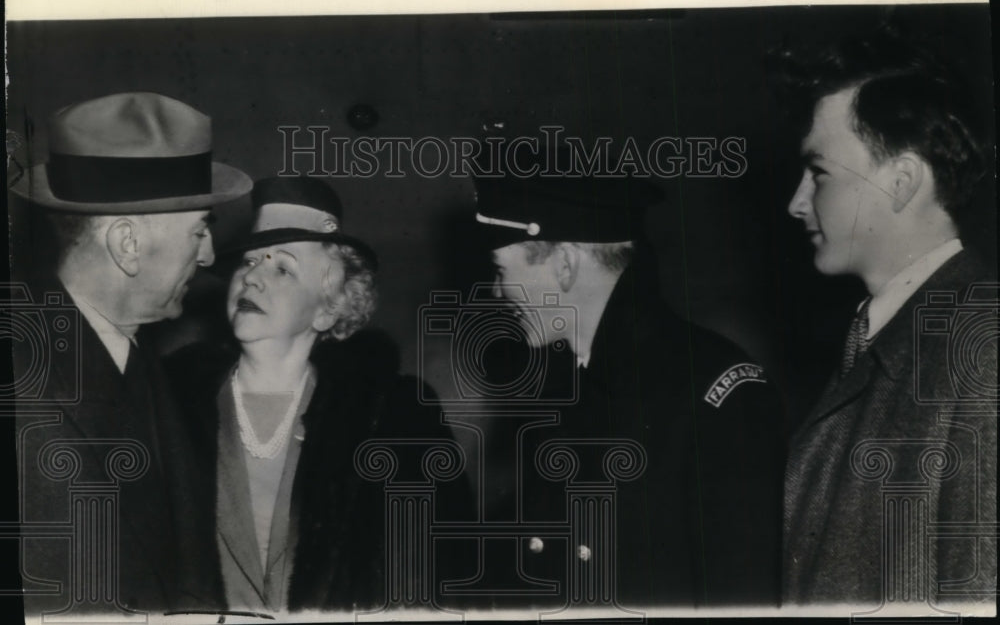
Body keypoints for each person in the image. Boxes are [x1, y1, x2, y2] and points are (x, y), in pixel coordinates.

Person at [471, 150, 786, 607]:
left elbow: (743, 594)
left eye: (503, 272)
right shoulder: (569, 386)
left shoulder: (716, 391)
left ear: (565, 264)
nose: (498, 294)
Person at [165, 176, 467, 614]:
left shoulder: (392, 416)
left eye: (282, 268)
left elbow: (442, 576)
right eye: (249, 262)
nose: (253, 279)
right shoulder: (171, 399)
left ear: (328, 309)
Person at [11, 92, 252, 615]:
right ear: (128, 245)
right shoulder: (22, 388)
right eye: (200, 228)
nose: (210, 254)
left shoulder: (137, 362)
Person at [780, 31, 997, 607]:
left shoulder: (982, 347)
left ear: (900, 182)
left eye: (819, 173)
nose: (796, 202)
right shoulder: (901, 335)